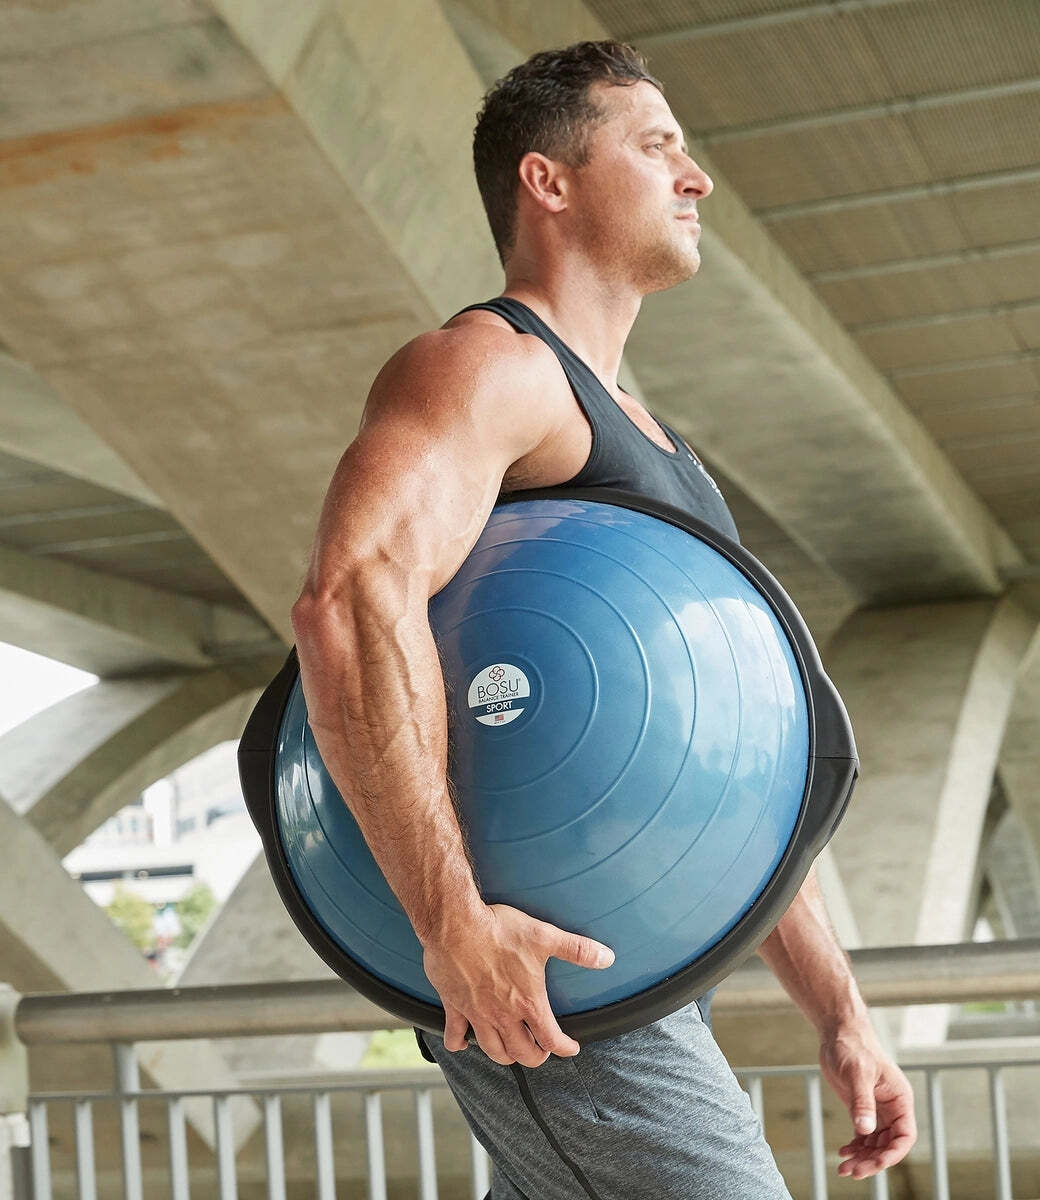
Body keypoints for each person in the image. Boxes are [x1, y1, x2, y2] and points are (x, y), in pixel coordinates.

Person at [290, 39, 917, 1199]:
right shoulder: (488, 368)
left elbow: (732, 773)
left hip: (633, 977)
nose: (698, 177)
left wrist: (841, 1013)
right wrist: (455, 924)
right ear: (549, 181)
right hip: (550, 986)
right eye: (658, 144)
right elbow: (350, 602)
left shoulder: (663, 452)